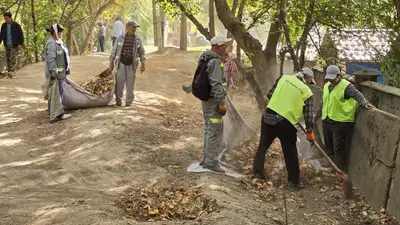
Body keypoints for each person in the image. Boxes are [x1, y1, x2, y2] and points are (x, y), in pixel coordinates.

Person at [253, 68, 316, 189]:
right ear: (307, 78)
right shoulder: (306, 91)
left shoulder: (284, 78)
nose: (309, 84)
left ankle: (257, 173)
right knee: (290, 152)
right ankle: (293, 182)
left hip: (268, 116)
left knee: (263, 146)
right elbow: (308, 114)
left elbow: (270, 95)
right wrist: (310, 131)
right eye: (309, 81)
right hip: (285, 123)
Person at [315, 65, 376, 172]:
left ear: (339, 75)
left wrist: (365, 103)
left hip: (341, 122)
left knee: (338, 148)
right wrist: (318, 113)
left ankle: (337, 170)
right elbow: (323, 101)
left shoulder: (347, 86)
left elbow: (357, 95)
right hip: (327, 120)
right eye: (329, 78)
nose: (331, 80)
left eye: (333, 78)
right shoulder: (326, 86)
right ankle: (329, 164)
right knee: (328, 145)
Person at [195, 36, 230, 173]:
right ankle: (211, 162)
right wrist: (221, 103)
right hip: (214, 102)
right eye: (225, 46)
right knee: (214, 132)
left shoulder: (204, 57)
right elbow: (216, 84)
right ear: (219, 46)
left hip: (206, 101)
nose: (226, 48)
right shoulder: (214, 61)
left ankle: (206, 159)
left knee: (208, 129)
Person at [109, 21, 145, 107]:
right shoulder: (120, 38)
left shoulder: (137, 39)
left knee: (130, 84)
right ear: (127, 28)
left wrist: (143, 63)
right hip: (121, 64)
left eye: (135, 28)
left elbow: (142, 52)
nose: (134, 29)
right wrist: (111, 61)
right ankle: (118, 101)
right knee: (119, 84)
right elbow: (114, 50)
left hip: (131, 65)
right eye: (133, 27)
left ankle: (128, 102)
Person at [44, 23, 72, 122]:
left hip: (60, 74)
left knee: (56, 93)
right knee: (56, 94)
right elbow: (51, 59)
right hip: (55, 74)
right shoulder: (52, 43)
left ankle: (54, 112)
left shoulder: (57, 41)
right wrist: (54, 72)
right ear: (55, 32)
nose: (61, 34)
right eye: (59, 32)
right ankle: (59, 114)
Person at [0, 12, 24, 78]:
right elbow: (1, 35)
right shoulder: (3, 25)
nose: (6, 20)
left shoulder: (16, 25)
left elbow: (21, 35)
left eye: (7, 18)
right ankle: (9, 72)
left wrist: (20, 43)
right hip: (7, 44)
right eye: (5, 18)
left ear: (10, 18)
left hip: (15, 44)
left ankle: (11, 72)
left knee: (12, 58)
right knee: (8, 58)